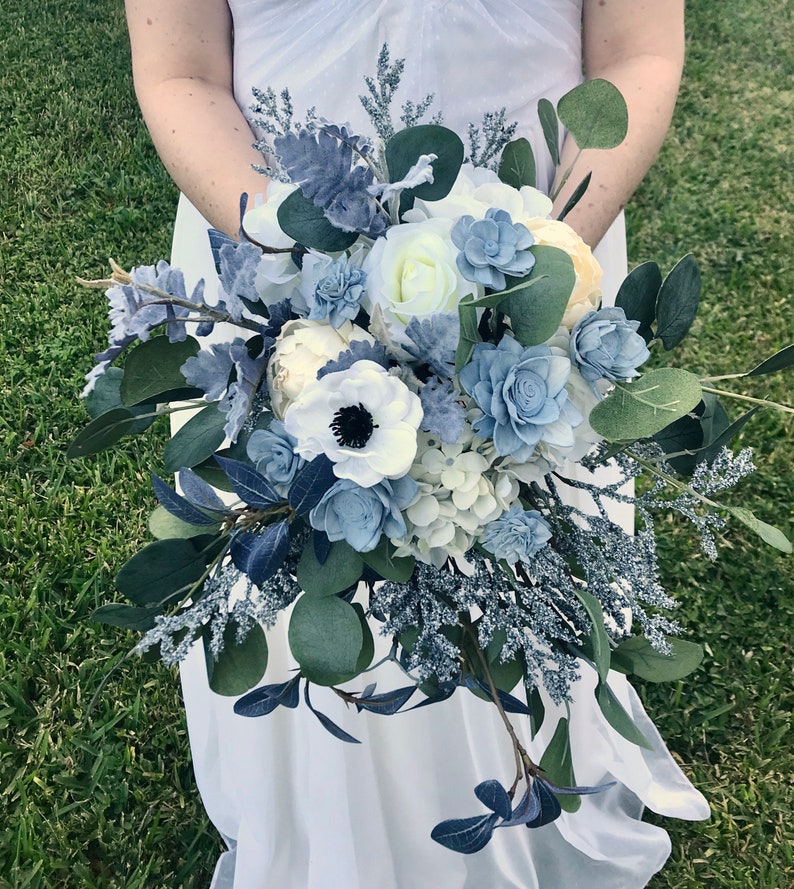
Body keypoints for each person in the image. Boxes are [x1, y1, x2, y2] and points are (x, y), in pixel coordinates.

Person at [124, 2, 710, 887]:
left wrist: (527, 280)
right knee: (312, 548)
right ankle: (325, 824)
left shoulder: (536, 267)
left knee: (506, 535)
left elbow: (637, 52)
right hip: (271, 254)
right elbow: (183, 70)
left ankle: (529, 770)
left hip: (540, 239)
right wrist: (310, 276)